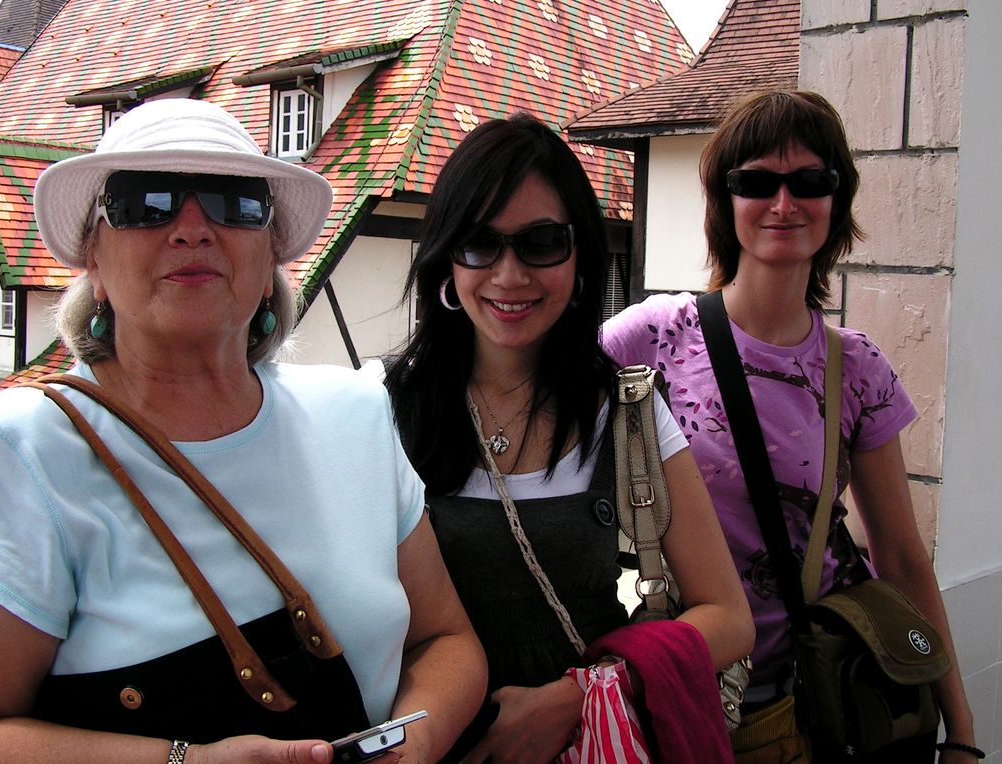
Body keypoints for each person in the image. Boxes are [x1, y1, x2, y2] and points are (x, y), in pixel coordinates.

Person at [0, 98, 486, 764]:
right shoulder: (24, 449)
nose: (192, 229)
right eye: (145, 202)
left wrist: (413, 746)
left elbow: (446, 641)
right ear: (92, 260)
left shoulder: (355, 413)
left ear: (271, 248)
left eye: (234, 201)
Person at [603, 89, 978, 762]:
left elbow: (900, 555)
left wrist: (963, 731)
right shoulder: (653, 336)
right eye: (757, 182)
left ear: (836, 200)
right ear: (726, 198)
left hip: (805, 701)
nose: (784, 203)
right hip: (674, 685)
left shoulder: (857, 369)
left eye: (809, 180)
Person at [383, 113, 754, 764]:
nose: (508, 275)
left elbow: (728, 615)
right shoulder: (380, 416)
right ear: (447, 256)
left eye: (541, 242)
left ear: (580, 254)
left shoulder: (626, 413)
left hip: (592, 744)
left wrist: (584, 694)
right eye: (479, 243)